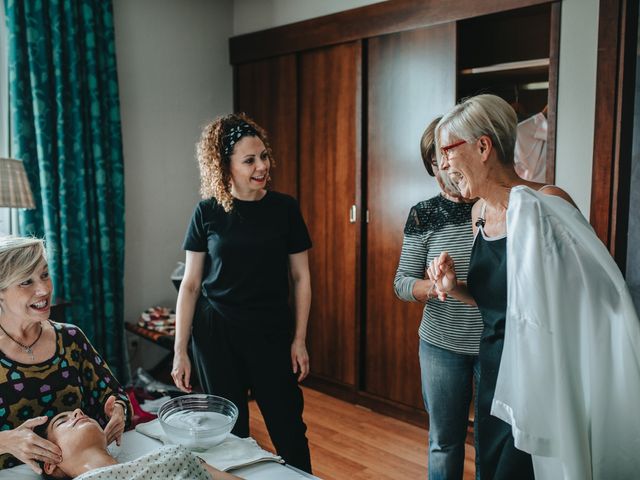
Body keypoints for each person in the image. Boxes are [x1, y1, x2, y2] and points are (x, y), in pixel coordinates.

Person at [428, 94, 640, 479]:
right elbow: (499, 303)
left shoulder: (547, 204)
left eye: (446, 151)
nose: (443, 165)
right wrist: (453, 286)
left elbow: (595, 298)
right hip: (492, 371)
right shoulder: (479, 213)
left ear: (483, 146)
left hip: (541, 375)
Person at [171, 113, 312, 473]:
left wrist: (299, 340)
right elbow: (190, 285)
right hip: (217, 331)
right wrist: (179, 351)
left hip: (270, 331)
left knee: (289, 427)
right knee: (230, 434)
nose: (262, 166)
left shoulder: (285, 208)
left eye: (263, 156)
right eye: (249, 160)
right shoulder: (207, 212)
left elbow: (301, 278)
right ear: (225, 165)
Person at [393, 117, 482, 480]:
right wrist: (435, 286)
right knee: (445, 441)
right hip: (441, 346)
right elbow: (401, 283)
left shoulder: (493, 205)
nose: (443, 169)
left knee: (494, 441)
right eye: (434, 162)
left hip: (494, 342)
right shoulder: (424, 214)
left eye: (446, 157)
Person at [0, 236, 131, 473]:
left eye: (44, 275)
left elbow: (115, 394)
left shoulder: (71, 338)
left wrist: (118, 410)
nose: (43, 289)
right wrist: (5, 441)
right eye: (26, 282)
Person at [34, 408, 242, 479]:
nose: (78, 412)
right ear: (49, 463)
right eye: (62, 421)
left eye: (79, 412)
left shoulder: (172, 455)